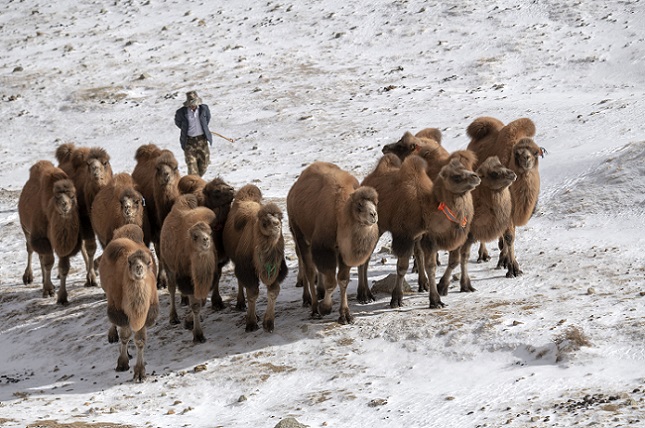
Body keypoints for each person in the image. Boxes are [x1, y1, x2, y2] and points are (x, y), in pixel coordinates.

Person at [174, 91, 213, 177]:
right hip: (189, 142)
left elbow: (207, 120)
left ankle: (197, 180)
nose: (192, 105)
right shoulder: (181, 112)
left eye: (194, 103)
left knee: (204, 165)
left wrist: (202, 128)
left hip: (202, 140)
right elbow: (178, 123)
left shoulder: (204, 109)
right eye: (191, 103)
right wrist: (187, 129)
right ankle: (194, 185)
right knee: (192, 167)